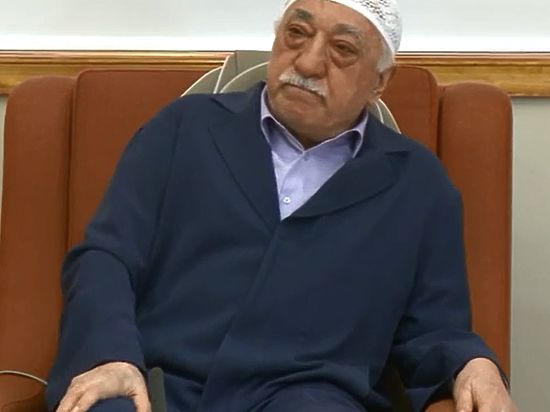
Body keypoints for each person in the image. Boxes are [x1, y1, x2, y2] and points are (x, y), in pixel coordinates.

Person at [46, 0, 517, 411]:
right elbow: (107, 258)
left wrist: (471, 363)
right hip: (158, 384)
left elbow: (434, 328)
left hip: (308, 395)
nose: (308, 62)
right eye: (297, 33)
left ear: (380, 81)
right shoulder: (182, 129)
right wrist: (110, 355)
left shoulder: (419, 186)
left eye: (342, 49)